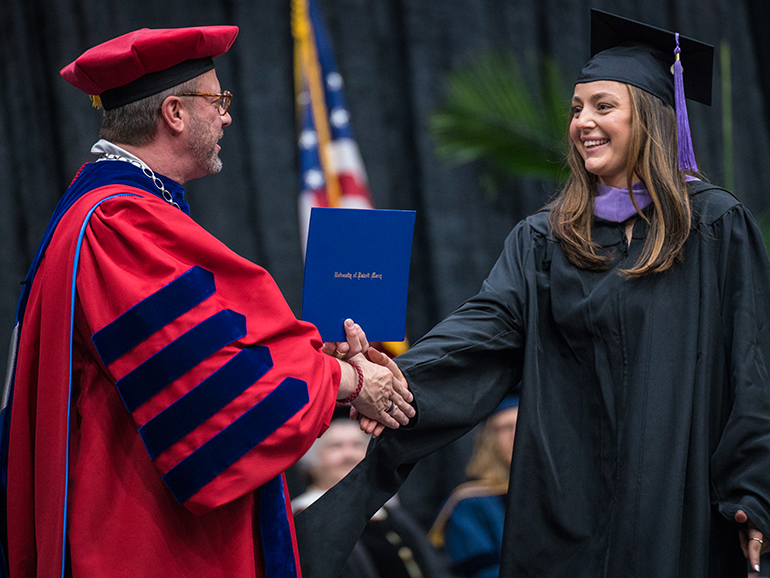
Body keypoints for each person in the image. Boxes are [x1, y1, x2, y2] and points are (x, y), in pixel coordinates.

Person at [295, 9, 770, 578]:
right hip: (570, 502)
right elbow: (483, 331)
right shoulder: (547, 238)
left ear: (649, 117)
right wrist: (395, 378)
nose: (582, 123)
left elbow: (753, 361)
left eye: (602, 106)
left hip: (679, 499)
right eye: (576, 110)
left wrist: (754, 490)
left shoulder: (714, 226)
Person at [2, 26, 414, 578]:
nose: (225, 116)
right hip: (142, 537)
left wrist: (330, 367)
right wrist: (351, 383)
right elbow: (211, 383)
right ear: (174, 112)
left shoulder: (118, 210)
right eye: (217, 100)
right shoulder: (119, 222)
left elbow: (213, 344)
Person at [292, 418, 447, 578]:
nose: (349, 455)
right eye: (336, 446)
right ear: (311, 462)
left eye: (357, 445)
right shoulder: (305, 515)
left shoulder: (390, 512)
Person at [428, 395, 519, 578]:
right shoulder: (469, 504)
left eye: (522, 426)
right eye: (507, 428)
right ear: (489, 439)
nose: (516, 435)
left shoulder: (555, 494)